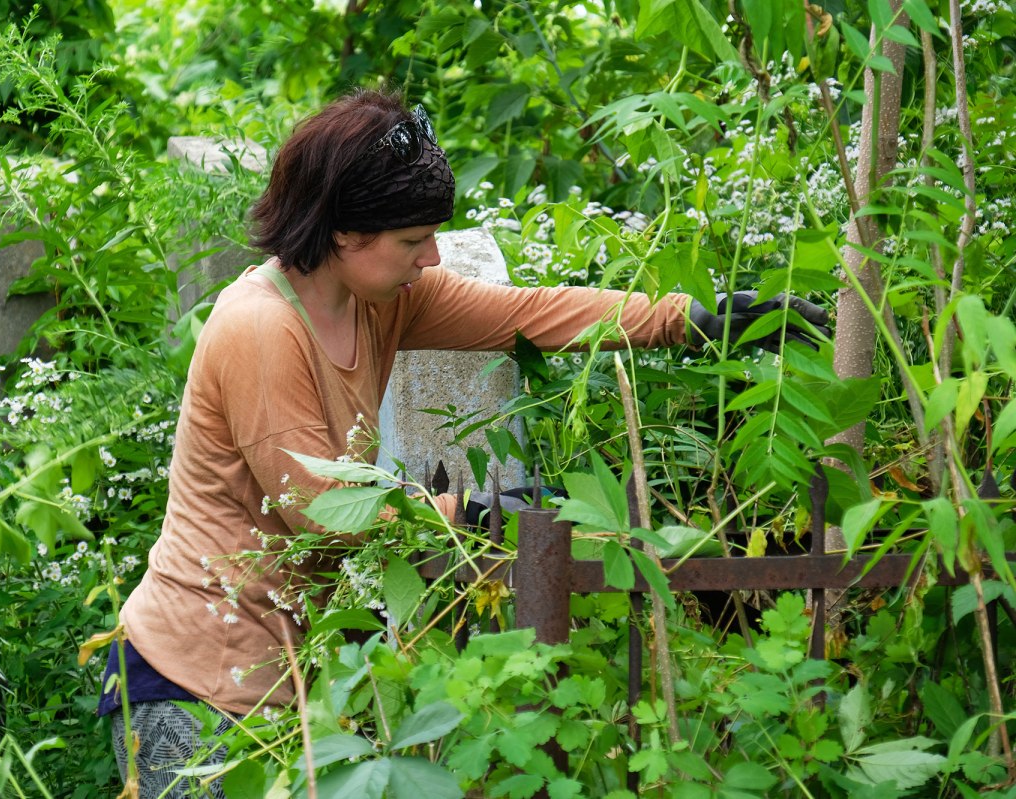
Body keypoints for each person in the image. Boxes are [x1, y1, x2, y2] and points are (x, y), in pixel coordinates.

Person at [98, 88, 829, 797]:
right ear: (345, 232)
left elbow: (531, 314)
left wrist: (692, 318)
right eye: (413, 240)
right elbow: (321, 511)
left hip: (287, 682)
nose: (432, 258)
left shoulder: (380, 301)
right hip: (193, 683)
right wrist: (473, 514)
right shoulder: (260, 328)